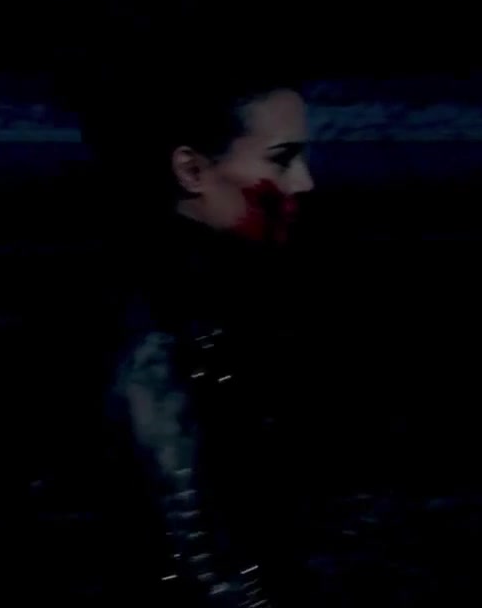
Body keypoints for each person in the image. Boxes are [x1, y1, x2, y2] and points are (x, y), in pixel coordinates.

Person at [85, 68, 316, 606]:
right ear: (191, 170)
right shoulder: (168, 309)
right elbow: (178, 507)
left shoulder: (205, 290)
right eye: (281, 159)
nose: (303, 182)